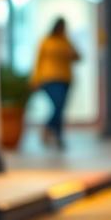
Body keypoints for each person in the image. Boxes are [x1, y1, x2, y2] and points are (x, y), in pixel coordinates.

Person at [30, 17, 81, 149]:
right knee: (58, 105)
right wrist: (35, 79)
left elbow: (78, 57)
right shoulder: (46, 41)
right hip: (49, 78)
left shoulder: (66, 42)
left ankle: (58, 135)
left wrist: (72, 53)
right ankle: (49, 128)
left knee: (60, 108)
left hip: (65, 78)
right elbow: (38, 61)